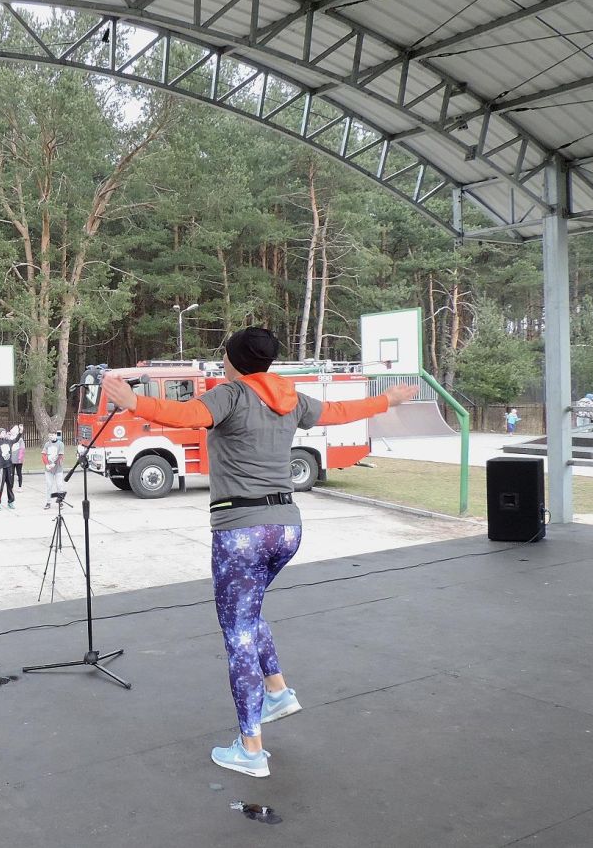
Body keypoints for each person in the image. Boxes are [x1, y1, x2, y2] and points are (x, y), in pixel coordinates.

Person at [102, 326, 416, 778]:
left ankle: (250, 749)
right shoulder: (290, 397)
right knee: (247, 615)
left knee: (239, 634)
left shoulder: (230, 395)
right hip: (286, 528)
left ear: (232, 359)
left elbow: (185, 414)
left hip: (241, 531)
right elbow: (339, 412)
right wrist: (387, 400)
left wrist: (134, 402)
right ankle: (278, 692)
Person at [0, 428, 16, 510]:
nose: (4, 434)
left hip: (9, 466)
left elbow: (16, 440)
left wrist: (20, 432)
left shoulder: (8, 441)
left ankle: (10, 502)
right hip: (1, 467)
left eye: (4, 432)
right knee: (0, 486)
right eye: (2, 433)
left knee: (10, 485)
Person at [43, 430, 66, 509]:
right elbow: (44, 455)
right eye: (50, 435)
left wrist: (54, 463)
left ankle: (60, 501)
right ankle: (48, 502)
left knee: (59, 485)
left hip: (58, 469)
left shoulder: (60, 444)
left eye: (52, 435)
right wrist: (47, 464)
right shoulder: (47, 444)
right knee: (49, 485)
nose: (51, 437)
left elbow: (60, 456)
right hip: (49, 470)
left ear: (56, 435)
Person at [12, 424, 26, 489]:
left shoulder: (20, 439)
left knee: (19, 473)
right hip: (11, 460)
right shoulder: (10, 438)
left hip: (18, 460)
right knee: (11, 474)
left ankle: (20, 486)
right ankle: (11, 487)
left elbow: (22, 448)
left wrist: (20, 458)